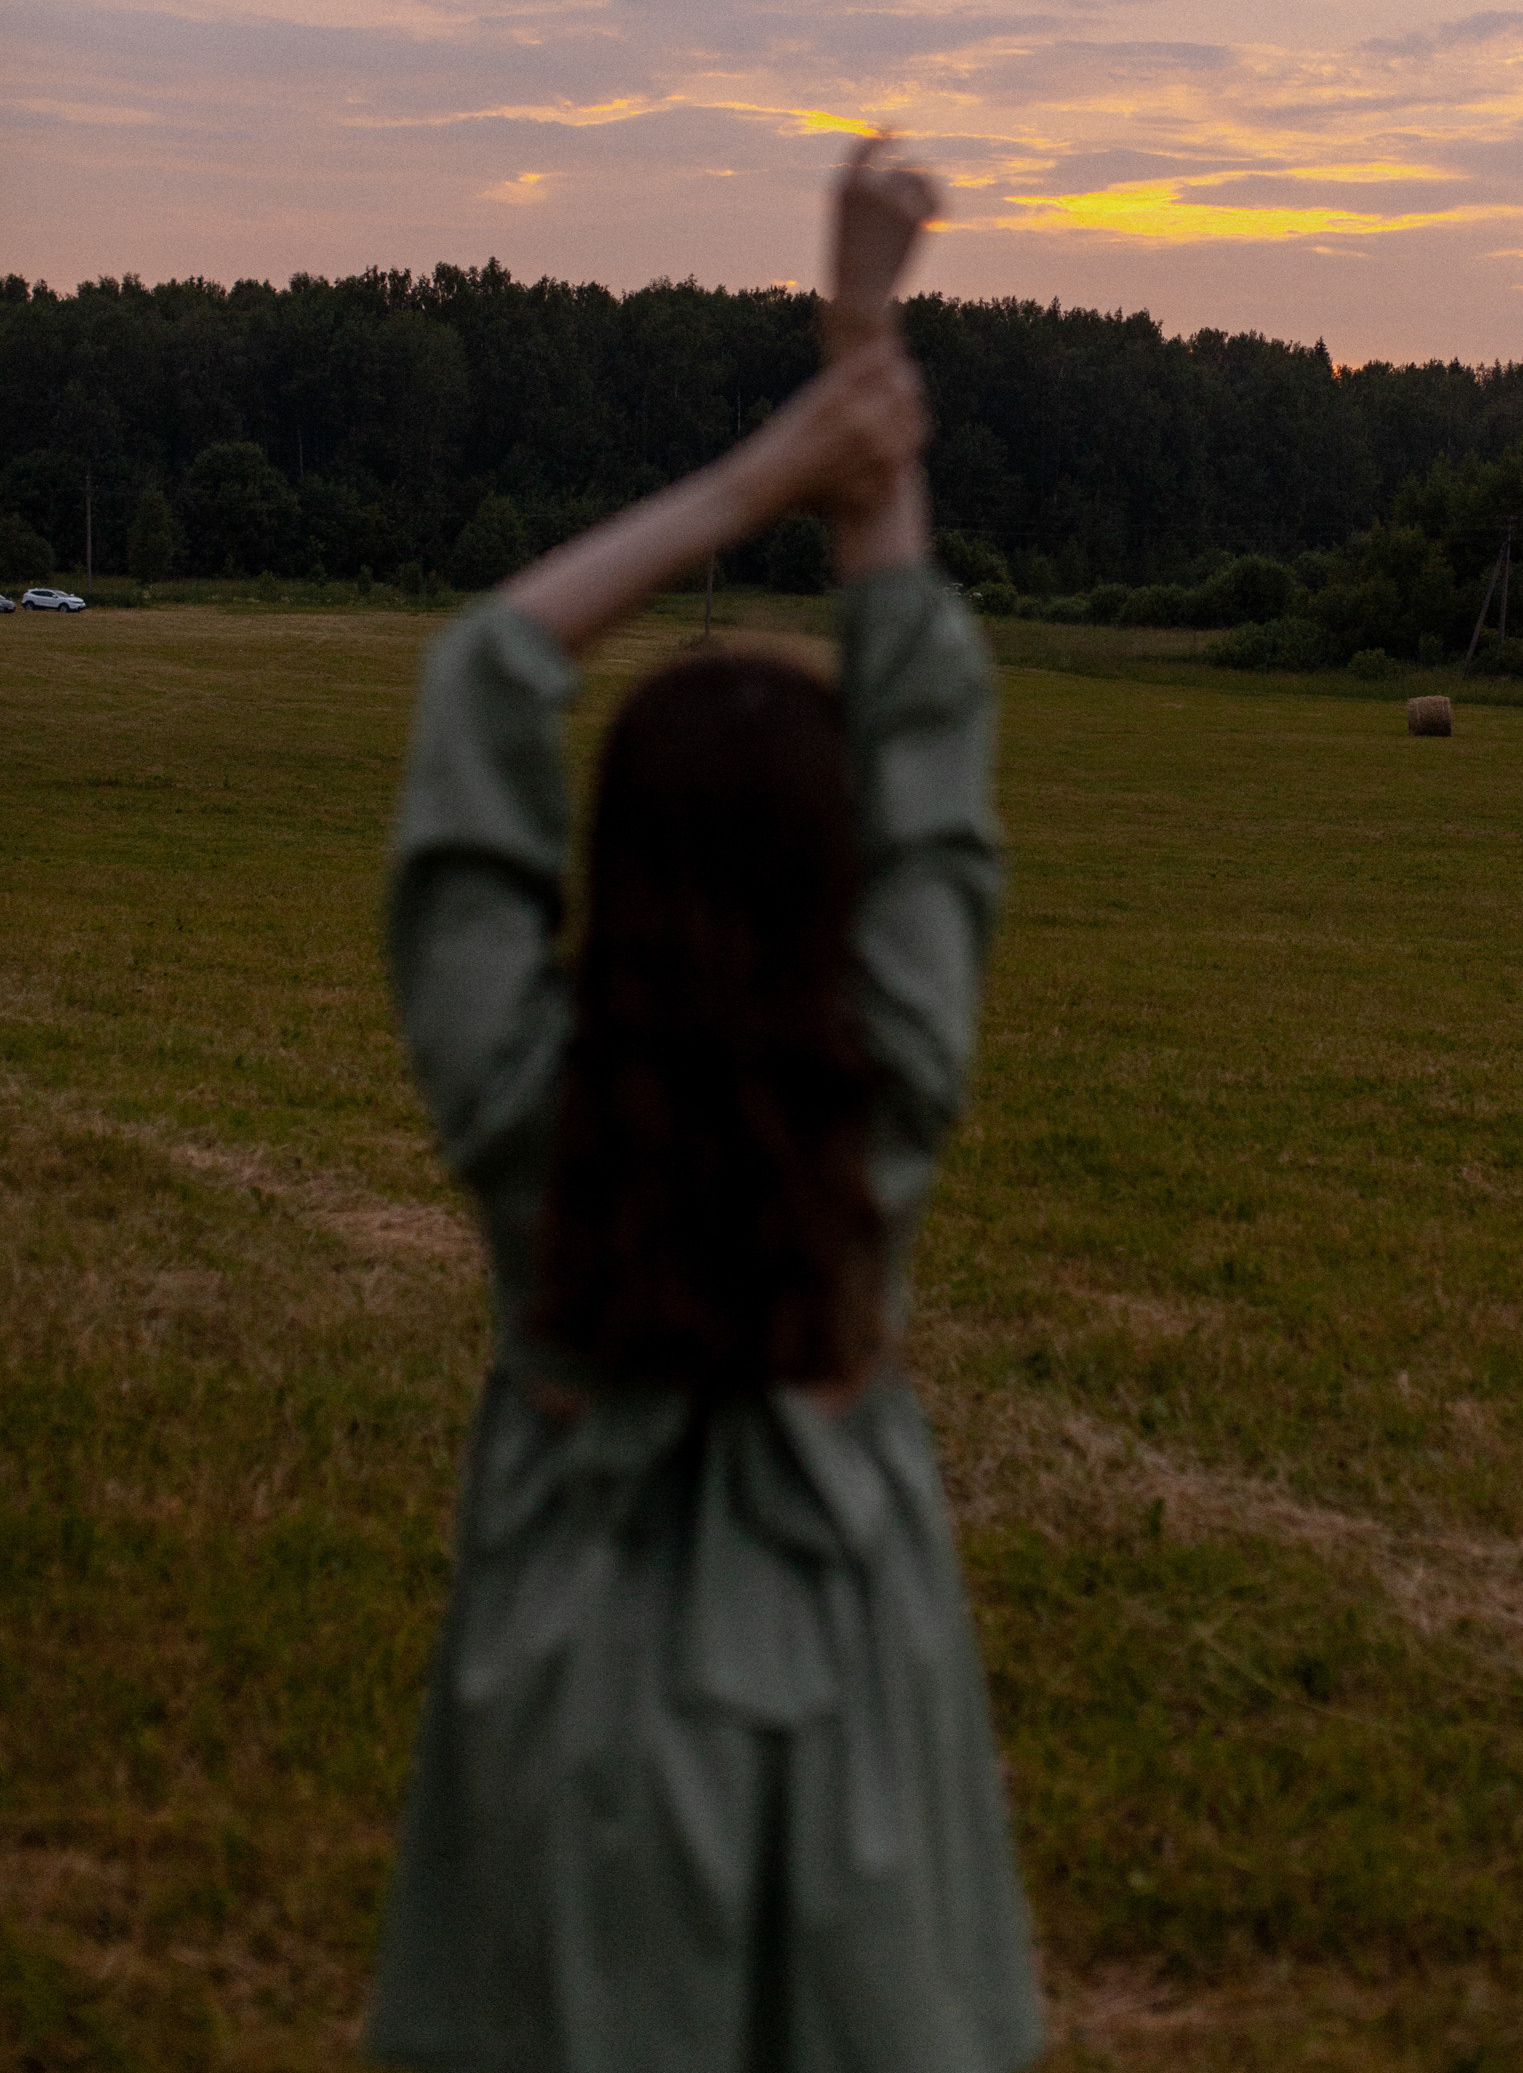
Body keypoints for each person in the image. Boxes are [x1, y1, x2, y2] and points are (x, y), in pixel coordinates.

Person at [368, 142, 1043, 2073]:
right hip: (855, 1708)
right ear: (843, 891)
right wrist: (863, 379)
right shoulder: (880, 1097)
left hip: (568, 1724)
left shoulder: (531, 1117)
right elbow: (933, 746)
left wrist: (753, 481)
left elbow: (484, 681)